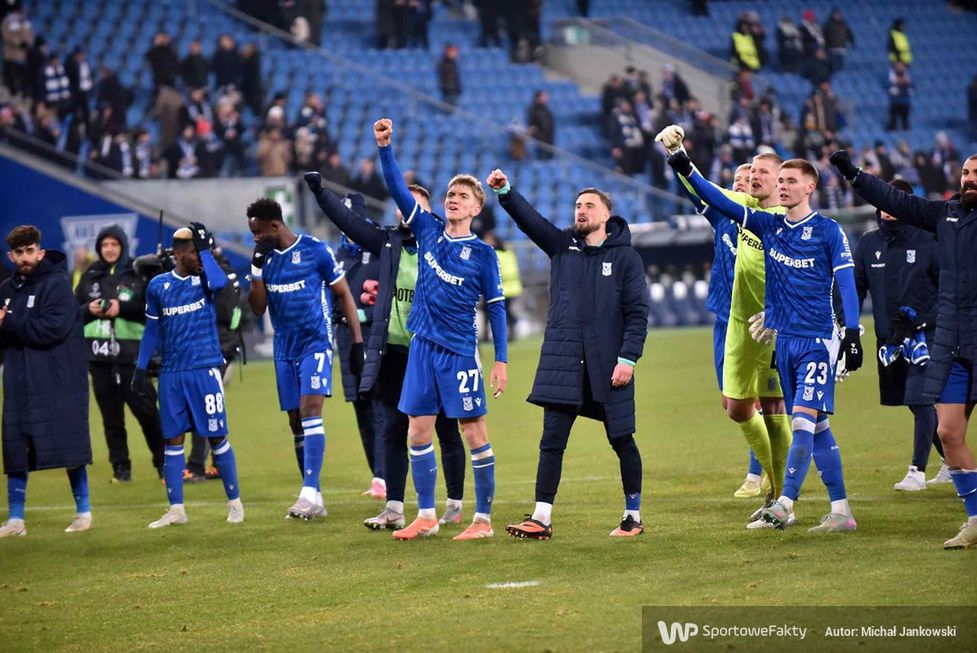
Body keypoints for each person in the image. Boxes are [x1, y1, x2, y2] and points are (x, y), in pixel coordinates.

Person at [670, 151, 864, 533]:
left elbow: (845, 282)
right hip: (784, 340)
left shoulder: (828, 231)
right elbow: (720, 200)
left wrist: (853, 333)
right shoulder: (768, 226)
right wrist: (684, 166)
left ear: (811, 187)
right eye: (782, 181)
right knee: (818, 427)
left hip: (816, 340)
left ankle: (784, 503)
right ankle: (841, 511)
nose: (784, 186)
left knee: (803, 424)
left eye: (792, 181)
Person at [489, 171, 649, 539]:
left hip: (609, 364)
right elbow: (531, 221)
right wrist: (506, 193)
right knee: (551, 442)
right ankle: (541, 518)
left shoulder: (626, 259)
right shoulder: (562, 246)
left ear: (606, 215)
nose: (581, 211)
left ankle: (632, 516)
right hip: (564, 362)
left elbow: (638, 313)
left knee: (621, 439)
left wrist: (628, 358)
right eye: (578, 205)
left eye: (589, 206)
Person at [304, 176, 469, 530]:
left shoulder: (442, 242)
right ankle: (394, 508)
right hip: (395, 352)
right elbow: (349, 222)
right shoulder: (390, 242)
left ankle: (454, 503)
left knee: (445, 429)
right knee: (394, 429)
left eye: (414, 206)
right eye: (401, 205)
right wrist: (321, 193)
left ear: (428, 213)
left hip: (434, 351)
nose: (405, 212)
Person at [832, 150, 977, 549]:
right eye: (966, 172)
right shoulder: (943, 216)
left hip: (953, 335)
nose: (969, 179)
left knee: (935, 418)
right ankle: (975, 519)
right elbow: (896, 200)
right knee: (948, 432)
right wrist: (855, 175)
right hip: (951, 343)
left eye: (976, 174)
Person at [374, 117, 507, 540]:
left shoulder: (484, 255)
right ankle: (427, 515)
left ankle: (482, 521)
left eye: (462, 196)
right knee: (417, 429)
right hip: (422, 349)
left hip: (459, 352)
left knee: (472, 431)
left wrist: (500, 359)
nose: (453, 199)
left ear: (475, 208)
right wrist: (385, 148)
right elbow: (397, 188)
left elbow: (498, 310)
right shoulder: (427, 230)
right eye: (450, 193)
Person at [656, 124, 792, 523]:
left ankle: (773, 483)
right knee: (734, 403)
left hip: (771, 323)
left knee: (772, 403)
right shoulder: (727, 216)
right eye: (743, 178)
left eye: (756, 176)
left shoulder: (777, 220)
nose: (748, 182)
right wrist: (678, 159)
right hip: (728, 316)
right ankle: (771, 475)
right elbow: (704, 192)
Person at [247, 199, 363, 520]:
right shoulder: (264, 261)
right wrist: (255, 268)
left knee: (312, 409)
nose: (255, 239)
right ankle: (316, 497)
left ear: (274, 226)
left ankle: (308, 493)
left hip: (316, 343)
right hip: (284, 349)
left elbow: (343, 293)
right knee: (296, 421)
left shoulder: (315, 250)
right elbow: (257, 309)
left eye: (257, 233)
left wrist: (356, 341)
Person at [132, 225, 243, 528]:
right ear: (179, 254)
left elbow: (221, 284)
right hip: (172, 373)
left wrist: (206, 250)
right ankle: (176, 509)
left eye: (200, 251)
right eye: (193, 251)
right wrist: (141, 368)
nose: (198, 257)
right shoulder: (158, 286)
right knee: (172, 440)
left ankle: (235, 504)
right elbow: (152, 330)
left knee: (217, 436)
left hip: (205, 368)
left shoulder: (206, 279)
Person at [852, 178, 949, 490]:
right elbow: (856, 289)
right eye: (884, 202)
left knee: (920, 400)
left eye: (895, 202)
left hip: (927, 337)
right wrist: (845, 324)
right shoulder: (868, 244)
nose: (887, 209)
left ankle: (917, 472)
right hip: (889, 340)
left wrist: (923, 322)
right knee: (912, 402)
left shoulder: (931, 241)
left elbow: (947, 291)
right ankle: (951, 462)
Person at [0, 225, 92, 538]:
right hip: (19, 381)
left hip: (58, 380)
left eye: (30, 251)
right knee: (15, 447)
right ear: (11, 256)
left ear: (40, 252)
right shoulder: (6, 291)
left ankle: (84, 512)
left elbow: (51, 330)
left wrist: (9, 322)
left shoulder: (57, 285)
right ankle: (15, 521)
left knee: (69, 444)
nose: (25, 258)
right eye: (19, 253)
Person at [74, 225, 164, 482]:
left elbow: (150, 309)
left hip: (133, 358)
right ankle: (121, 469)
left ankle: (163, 464)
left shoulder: (137, 272)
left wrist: (120, 308)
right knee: (111, 420)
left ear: (123, 246)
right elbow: (73, 311)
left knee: (148, 414)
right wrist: (90, 309)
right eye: (104, 245)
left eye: (114, 244)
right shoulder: (90, 274)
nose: (109, 249)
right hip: (99, 358)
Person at [329, 192, 386, 498]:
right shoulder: (337, 256)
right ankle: (376, 475)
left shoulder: (379, 251)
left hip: (371, 335)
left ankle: (383, 475)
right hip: (344, 339)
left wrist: (362, 313)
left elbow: (388, 300)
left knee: (377, 403)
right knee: (359, 406)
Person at [527, 90, 554, 160]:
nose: (546, 98)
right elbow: (532, 125)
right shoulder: (533, 110)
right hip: (539, 139)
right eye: (543, 96)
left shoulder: (546, 110)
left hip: (549, 139)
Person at [437, 43, 461, 111]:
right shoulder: (444, 63)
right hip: (448, 90)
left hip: (454, 90)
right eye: (452, 51)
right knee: (448, 108)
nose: (455, 53)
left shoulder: (453, 63)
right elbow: (445, 78)